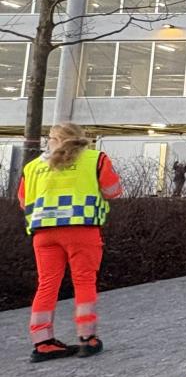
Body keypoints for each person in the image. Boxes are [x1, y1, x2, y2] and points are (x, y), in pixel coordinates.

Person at [18, 123, 122, 361]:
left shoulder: (33, 167)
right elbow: (112, 190)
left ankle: (42, 342)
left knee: (46, 284)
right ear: (79, 137)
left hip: (44, 233)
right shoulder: (95, 158)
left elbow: (24, 202)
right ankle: (87, 339)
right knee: (84, 281)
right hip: (81, 229)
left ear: (51, 139)